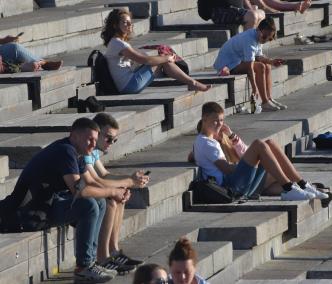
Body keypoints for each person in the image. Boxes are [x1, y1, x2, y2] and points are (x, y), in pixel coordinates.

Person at [0, 118, 128, 282]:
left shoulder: (77, 152)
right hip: (31, 213)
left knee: (100, 202)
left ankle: (91, 262)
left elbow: (90, 182)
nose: (93, 144)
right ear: (74, 136)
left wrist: (115, 192)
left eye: (95, 140)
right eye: (89, 139)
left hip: (48, 205)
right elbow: (79, 190)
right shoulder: (65, 151)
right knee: (88, 205)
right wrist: (111, 191)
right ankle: (84, 267)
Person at [193, 101, 330, 201]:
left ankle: (303, 185)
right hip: (231, 187)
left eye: (221, 120)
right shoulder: (206, 143)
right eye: (215, 121)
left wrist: (251, 162)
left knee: (269, 144)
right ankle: (290, 188)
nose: (219, 124)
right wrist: (250, 163)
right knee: (258, 144)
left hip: (237, 184)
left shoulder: (206, 141)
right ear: (204, 119)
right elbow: (227, 170)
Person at [83, 113, 149, 273]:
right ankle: (103, 257)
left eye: (114, 140)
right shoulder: (84, 151)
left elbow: (104, 174)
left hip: (85, 191)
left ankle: (114, 250)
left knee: (119, 197)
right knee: (112, 201)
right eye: (108, 138)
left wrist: (129, 180)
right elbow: (96, 182)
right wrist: (129, 182)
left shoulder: (94, 151)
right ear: (96, 133)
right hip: (74, 195)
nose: (111, 143)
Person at [101, 9, 211, 94]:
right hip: (129, 85)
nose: (129, 25)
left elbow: (139, 58)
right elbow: (144, 60)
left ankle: (190, 82)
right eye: (125, 23)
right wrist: (166, 58)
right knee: (163, 62)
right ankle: (192, 82)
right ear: (115, 25)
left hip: (127, 84)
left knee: (161, 59)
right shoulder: (118, 43)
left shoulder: (116, 42)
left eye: (130, 22)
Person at [213, 17, 287, 112]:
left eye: (270, 38)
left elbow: (259, 56)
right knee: (261, 67)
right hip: (226, 65)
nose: (265, 40)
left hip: (236, 61)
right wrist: (254, 88)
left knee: (267, 65)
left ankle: (268, 98)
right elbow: (250, 68)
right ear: (259, 30)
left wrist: (272, 62)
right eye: (265, 37)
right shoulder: (249, 40)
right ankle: (264, 102)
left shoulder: (257, 35)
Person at [197, 0, 265, 30]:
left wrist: (250, 9)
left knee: (261, 13)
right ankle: (246, 52)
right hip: (217, 11)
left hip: (234, 9)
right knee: (252, 16)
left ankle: (256, 51)